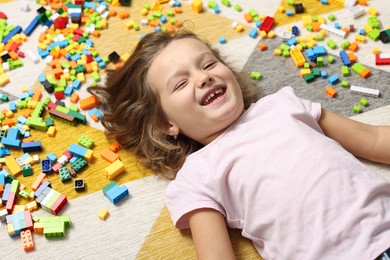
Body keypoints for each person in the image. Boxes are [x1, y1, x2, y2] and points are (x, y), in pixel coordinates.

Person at [90, 30, 390, 259]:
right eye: (181, 83)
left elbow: (373, 139)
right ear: (165, 124)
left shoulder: (281, 105)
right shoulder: (196, 176)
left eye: (208, 64)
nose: (203, 77)